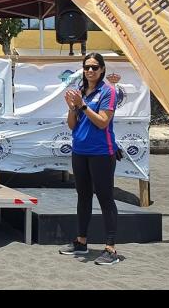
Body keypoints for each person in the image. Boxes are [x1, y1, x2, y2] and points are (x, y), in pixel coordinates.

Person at [59, 53, 121, 265]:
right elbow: (72, 125)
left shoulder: (108, 91)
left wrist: (83, 105)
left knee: (105, 198)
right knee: (83, 196)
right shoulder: (81, 90)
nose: (90, 71)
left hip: (101, 152)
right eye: (87, 67)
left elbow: (103, 122)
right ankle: (81, 241)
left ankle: (110, 248)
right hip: (80, 151)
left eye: (95, 67)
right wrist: (72, 108)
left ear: (102, 69)